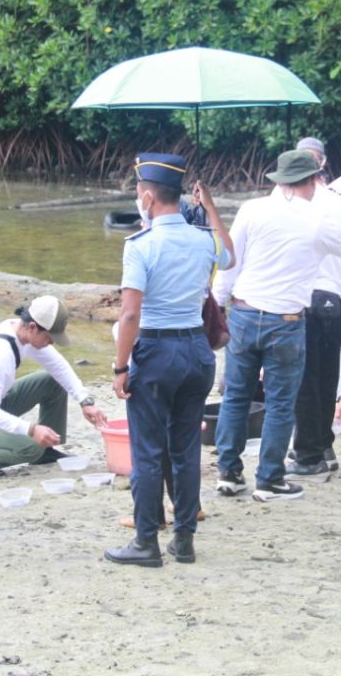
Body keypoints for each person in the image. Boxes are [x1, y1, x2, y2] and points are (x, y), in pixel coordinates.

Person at [211, 150, 341, 502]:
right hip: (285, 321)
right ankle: (269, 479)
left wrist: (218, 301)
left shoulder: (251, 209)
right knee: (279, 403)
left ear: (278, 180)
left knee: (235, 396)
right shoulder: (319, 219)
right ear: (312, 180)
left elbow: (230, 260)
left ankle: (229, 473)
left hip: (243, 313)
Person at [104, 153, 233, 567]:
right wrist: (210, 208)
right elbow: (229, 256)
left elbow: (130, 314)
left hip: (157, 351)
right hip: (197, 350)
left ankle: (146, 542)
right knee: (185, 449)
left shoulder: (140, 246)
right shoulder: (201, 238)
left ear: (146, 196)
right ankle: (184, 540)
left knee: (147, 452)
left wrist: (120, 366)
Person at [0, 295, 106, 474]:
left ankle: (46, 449)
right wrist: (31, 429)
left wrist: (86, 402)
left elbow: (59, 367)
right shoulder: (1, 354)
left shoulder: (20, 330)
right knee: (31, 448)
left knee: (51, 381)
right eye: (49, 337)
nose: (52, 342)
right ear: (32, 327)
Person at [288, 138, 341, 480]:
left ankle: (308, 456)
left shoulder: (297, 206)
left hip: (309, 300)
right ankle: (323, 446)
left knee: (305, 381)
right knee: (327, 376)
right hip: (339, 302)